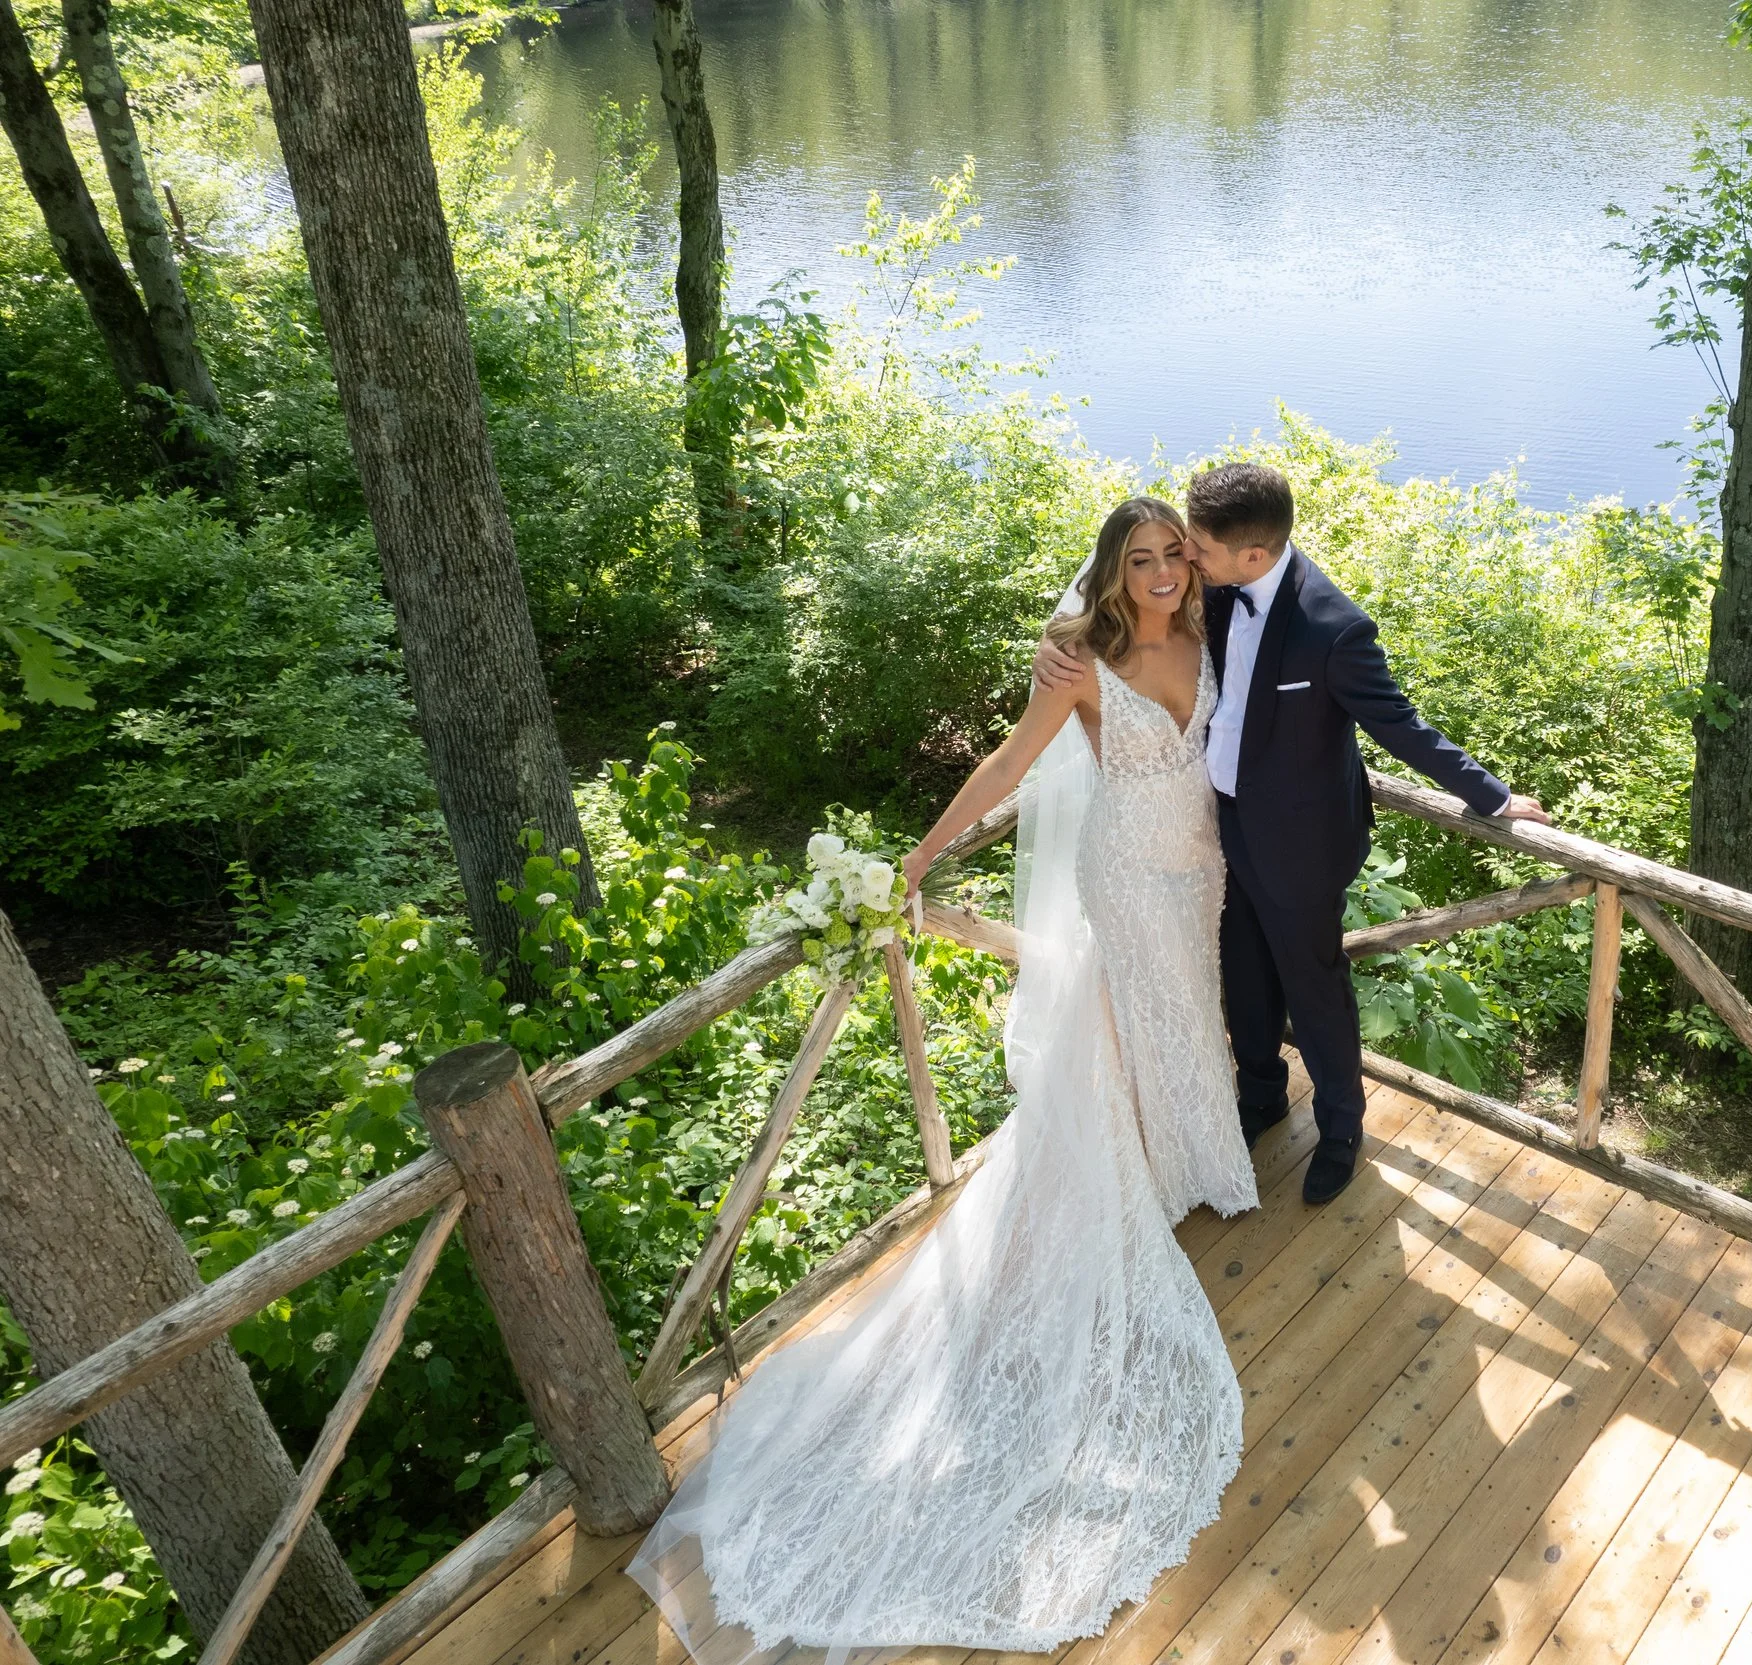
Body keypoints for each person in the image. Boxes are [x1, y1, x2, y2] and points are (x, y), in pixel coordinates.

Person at [625, 496, 1252, 1665]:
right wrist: (916, 856)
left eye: (1174, 555)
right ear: (1110, 573)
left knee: (1183, 1023)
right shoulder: (1079, 664)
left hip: (1199, 869)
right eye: (1142, 559)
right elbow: (1012, 762)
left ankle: (1184, 1151)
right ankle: (1137, 1172)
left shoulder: (1214, 626)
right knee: (1128, 1026)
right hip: (1123, 875)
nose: (1164, 572)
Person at [1037, 462, 1547, 1206]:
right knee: (1243, 979)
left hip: (1303, 845)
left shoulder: (1334, 629)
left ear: (1251, 555)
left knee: (1314, 990)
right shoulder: (1203, 587)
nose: (1184, 562)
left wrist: (1493, 796)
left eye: (1196, 551)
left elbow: (1402, 725)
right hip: (1215, 830)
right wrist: (1060, 643)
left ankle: (1341, 1126)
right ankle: (1262, 1095)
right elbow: (1127, 586)